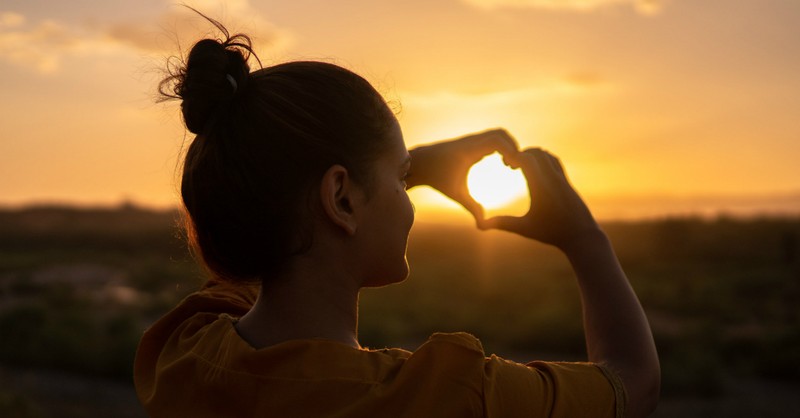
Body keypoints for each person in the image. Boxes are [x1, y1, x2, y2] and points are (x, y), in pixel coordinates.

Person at [134, 17, 659, 418]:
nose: (409, 197)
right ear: (341, 198)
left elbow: (267, 222)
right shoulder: (447, 395)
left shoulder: (183, 352)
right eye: (401, 177)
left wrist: (393, 169)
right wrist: (584, 238)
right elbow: (632, 381)